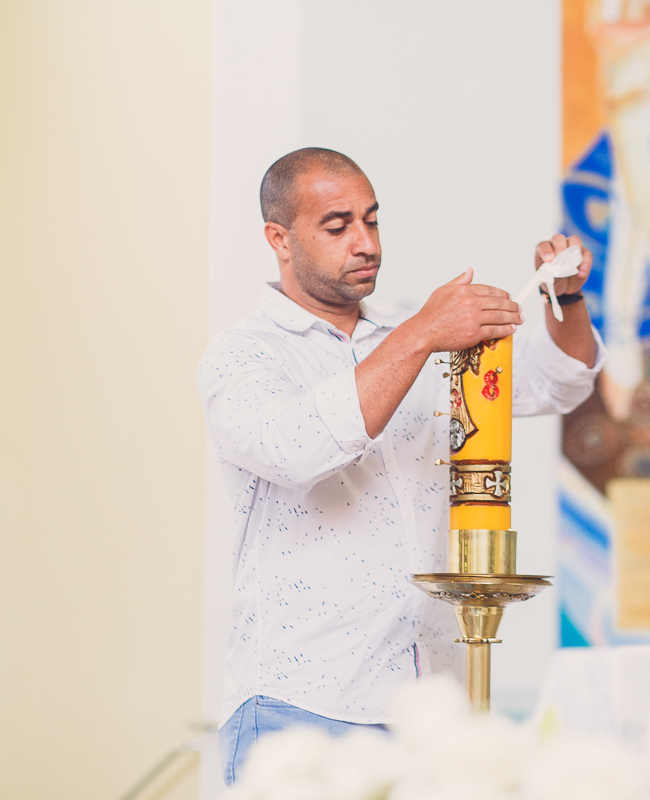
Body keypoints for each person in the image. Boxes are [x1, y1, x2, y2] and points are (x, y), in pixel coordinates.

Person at [197, 148, 604, 784]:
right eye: (338, 227)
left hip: (428, 710)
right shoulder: (242, 356)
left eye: (372, 221)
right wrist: (418, 335)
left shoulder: (413, 332)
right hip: (301, 705)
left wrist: (568, 300)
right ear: (279, 238)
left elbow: (559, 385)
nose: (365, 243)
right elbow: (297, 449)